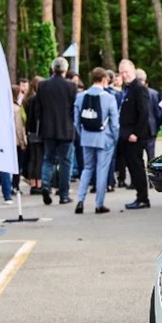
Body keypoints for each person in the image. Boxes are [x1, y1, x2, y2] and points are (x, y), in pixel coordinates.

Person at [74, 67, 120, 214]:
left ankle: (80, 200)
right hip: (104, 138)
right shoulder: (109, 98)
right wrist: (115, 138)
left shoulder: (80, 96)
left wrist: (82, 134)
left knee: (87, 169)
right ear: (104, 79)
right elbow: (115, 123)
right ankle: (99, 204)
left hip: (87, 137)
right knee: (102, 170)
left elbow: (76, 121)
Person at [37, 57, 77, 205]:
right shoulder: (71, 86)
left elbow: (39, 109)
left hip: (48, 129)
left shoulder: (42, 85)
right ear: (65, 70)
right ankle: (64, 194)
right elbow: (73, 109)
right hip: (66, 128)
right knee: (66, 162)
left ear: (53, 69)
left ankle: (45, 185)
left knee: (48, 159)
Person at [118, 59, 152, 210]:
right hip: (126, 134)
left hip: (135, 135)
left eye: (126, 72)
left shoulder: (139, 88)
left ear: (133, 70)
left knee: (137, 167)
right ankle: (139, 196)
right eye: (121, 72)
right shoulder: (127, 88)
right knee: (132, 166)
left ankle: (143, 198)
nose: (124, 75)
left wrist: (136, 133)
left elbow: (144, 113)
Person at [24, 75, 45, 194]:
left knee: (33, 158)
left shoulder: (28, 99)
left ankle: (33, 183)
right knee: (40, 159)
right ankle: (39, 183)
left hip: (30, 131)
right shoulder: (39, 100)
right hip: (39, 132)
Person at [136, 68, 161, 161]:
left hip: (138, 128)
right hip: (151, 128)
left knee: (138, 156)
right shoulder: (154, 93)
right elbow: (158, 113)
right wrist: (157, 126)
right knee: (151, 154)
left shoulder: (133, 93)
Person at [12, 84, 27, 194]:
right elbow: (19, 127)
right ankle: (15, 185)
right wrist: (22, 142)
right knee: (17, 164)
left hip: (10, 140)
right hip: (17, 141)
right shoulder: (17, 109)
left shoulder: (7, 107)